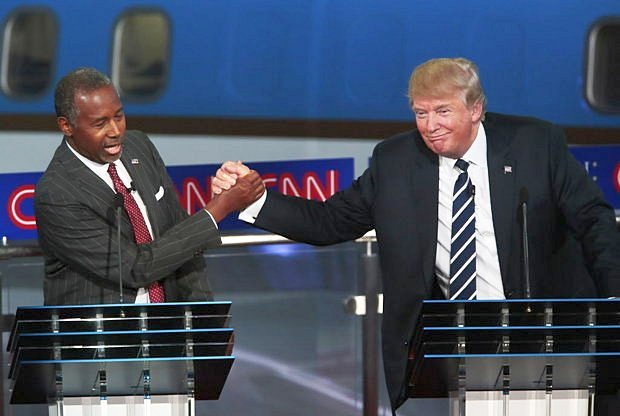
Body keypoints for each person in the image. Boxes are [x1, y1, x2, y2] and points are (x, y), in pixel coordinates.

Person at [212, 57, 620, 413]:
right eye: (421, 113)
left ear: (476, 109)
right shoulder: (395, 161)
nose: (431, 126)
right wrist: (253, 200)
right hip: (455, 341)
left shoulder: (535, 144)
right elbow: (329, 222)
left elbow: (594, 220)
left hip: (544, 332)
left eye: (443, 112)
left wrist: (614, 301)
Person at [35, 67, 264, 306]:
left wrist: (208, 320)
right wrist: (220, 208)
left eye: (119, 116)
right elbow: (136, 268)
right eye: (100, 123)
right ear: (66, 126)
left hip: (166, 325)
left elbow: (182, 241)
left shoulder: (138, 146)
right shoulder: (57, 193)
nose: (115, 131)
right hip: (104, 335)